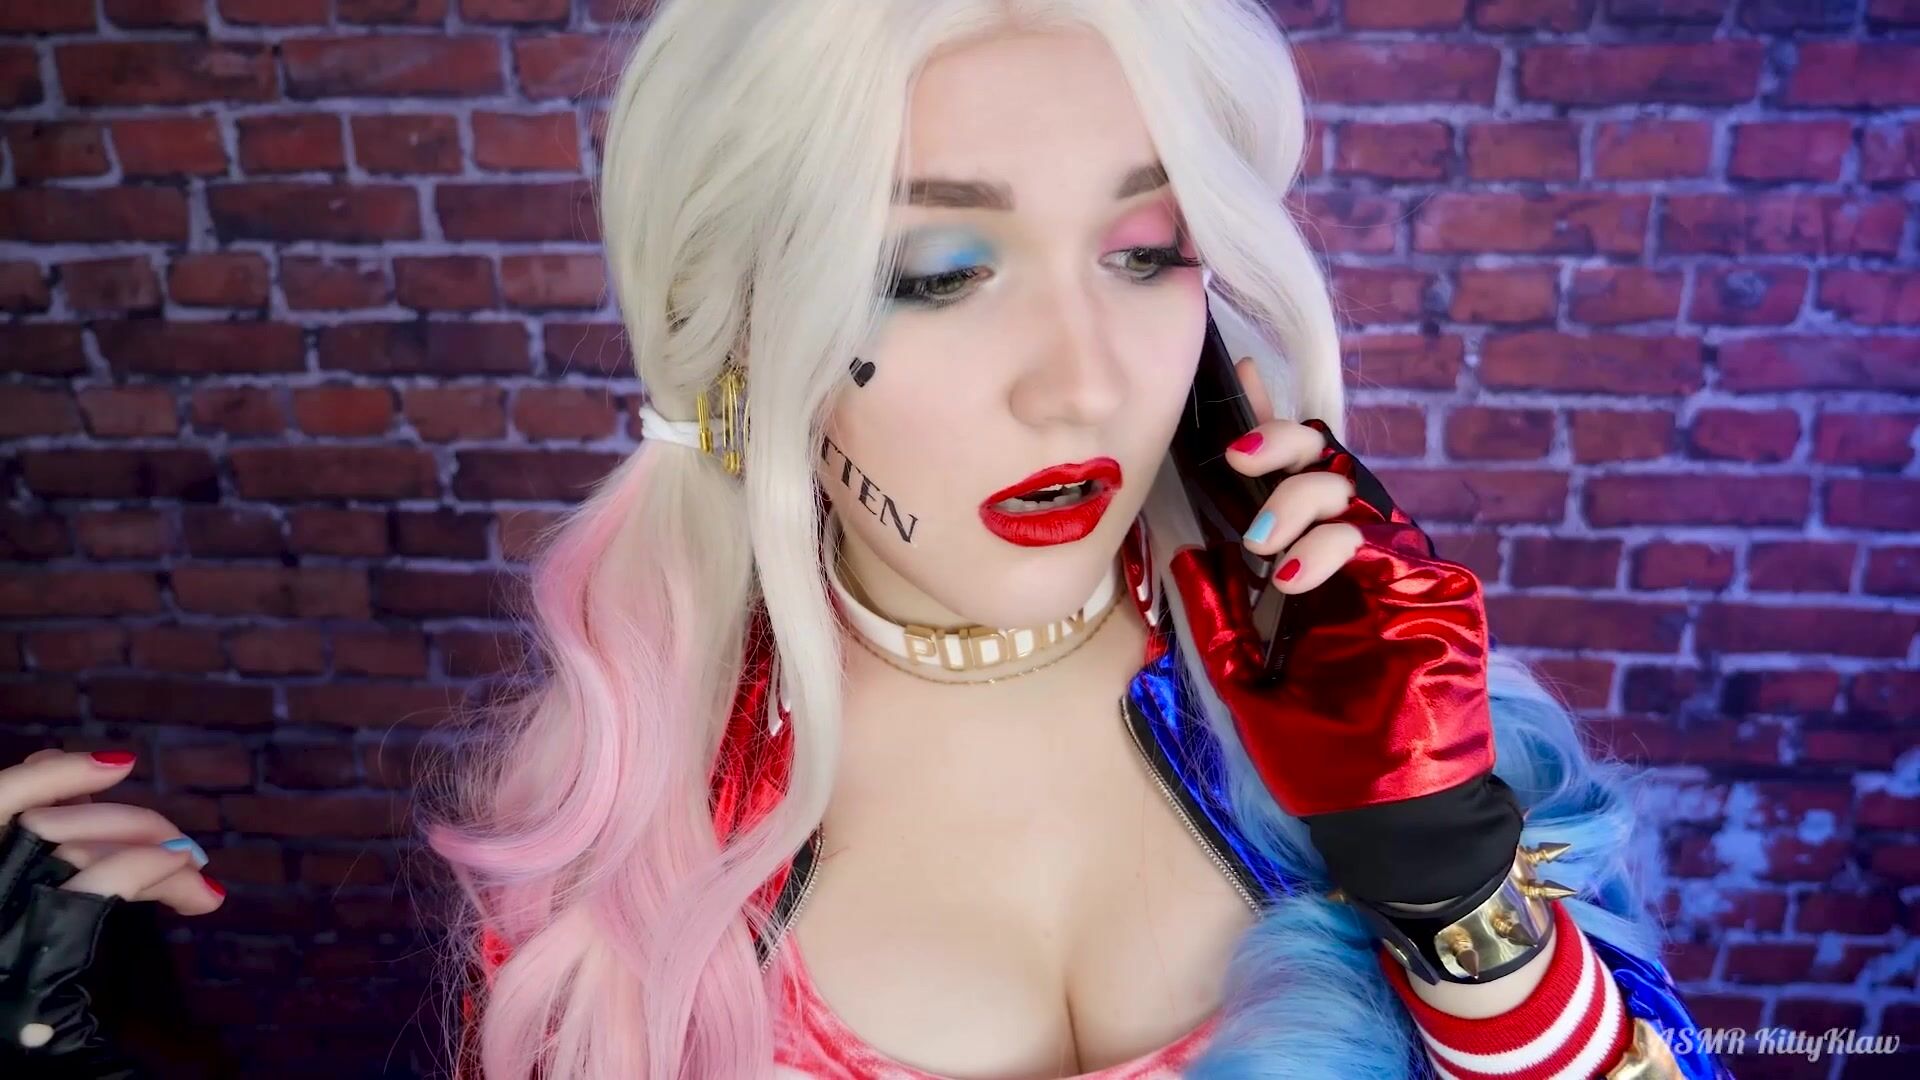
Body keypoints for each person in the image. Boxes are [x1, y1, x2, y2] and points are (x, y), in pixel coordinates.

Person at [0, 1, 1730, 1078]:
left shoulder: (1386, 708)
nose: (1083, 383)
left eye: (1146, 253)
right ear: (743, 332)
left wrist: (1450, 891)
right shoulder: (627, 835)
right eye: (938, 271)